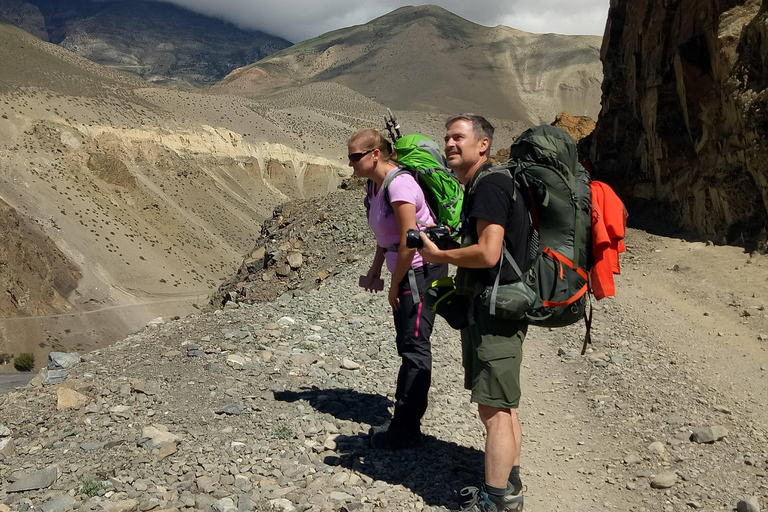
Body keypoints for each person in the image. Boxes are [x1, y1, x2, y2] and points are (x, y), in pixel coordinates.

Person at [417, 114, 529, 511]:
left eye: (458, 137)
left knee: (493, 411)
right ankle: (509, 485)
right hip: (498, 305)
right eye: (446, 137)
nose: (449, 144)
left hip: (495, 310)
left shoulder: (490, 185)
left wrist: (439, 254)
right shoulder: (485, 184)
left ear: (482, 145)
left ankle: (495, 502)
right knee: (504, 404)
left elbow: (488, 252)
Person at [347, 128, 448, 449]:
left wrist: (395, 282)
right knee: (407, 342)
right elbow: (386, 236)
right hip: (404, 272)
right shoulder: (375, 186)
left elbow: (410, 239)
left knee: (415, 347)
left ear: (375, 154)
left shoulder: (400, 184)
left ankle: (407, 430)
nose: (350, 163)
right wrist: (376, 269)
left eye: (355, 156)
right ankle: (404, 423)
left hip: (419, 272)